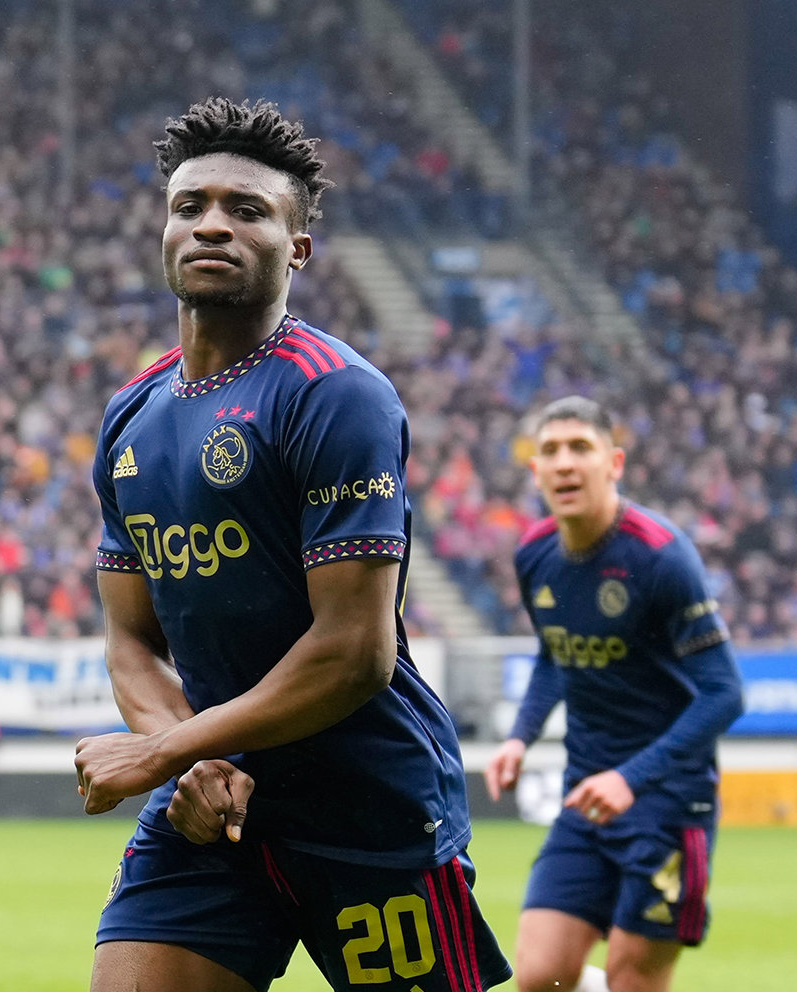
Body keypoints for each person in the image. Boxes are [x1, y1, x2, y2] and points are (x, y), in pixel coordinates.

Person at [73, 98, 510, 992]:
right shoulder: (130, 414)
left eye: (247, 210)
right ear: (164, 231)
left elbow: (354, 654)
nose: (212, 225)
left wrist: (160, 753)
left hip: (364, 805)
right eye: (190, 206)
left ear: (297, 248)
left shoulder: (336, 394)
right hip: (212, 804)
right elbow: (131, 641)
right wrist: (192, 761)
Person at [485, 397, 745, 992]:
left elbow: (725, 692)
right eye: (551, 451)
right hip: (586, 795)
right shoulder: (535, 555)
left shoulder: (660, 556)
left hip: (668, 803)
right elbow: (555, 653)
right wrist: (520, 737)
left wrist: (630, 778)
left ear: (614, 463)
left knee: (635, 980)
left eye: (581, 448)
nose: (565, 463)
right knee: (541, 975)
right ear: (535, 472)